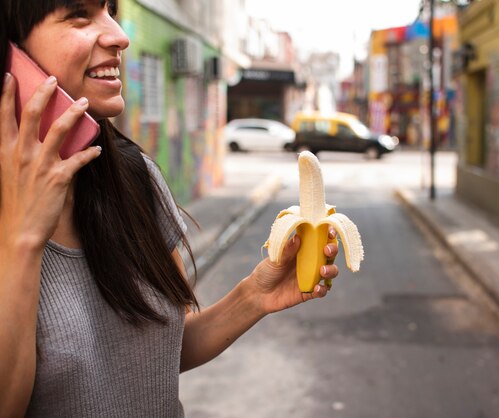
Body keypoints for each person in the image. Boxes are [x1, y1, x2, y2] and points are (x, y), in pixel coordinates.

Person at [0, 1, 340, 416]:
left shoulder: (132, 177)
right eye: (80, 15)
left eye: (110, 10)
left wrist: (255, 295)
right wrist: (22, 239)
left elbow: (162, 354)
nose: (118, 35)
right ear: (12, 52)